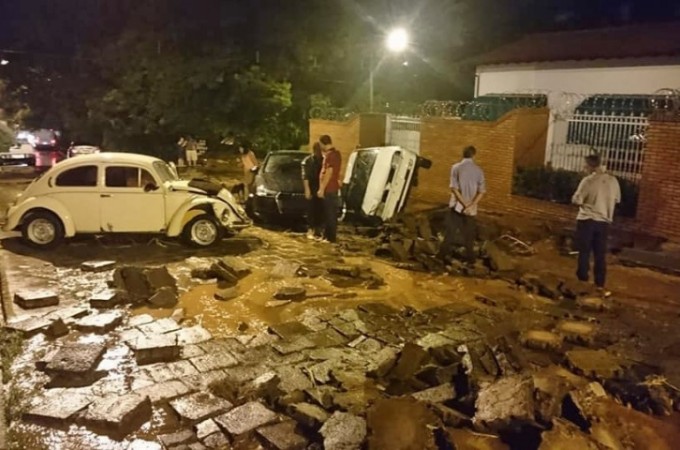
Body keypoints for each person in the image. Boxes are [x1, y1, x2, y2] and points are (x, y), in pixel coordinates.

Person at [571, 154, 620, 297]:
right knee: (600, 254)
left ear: (590, 165)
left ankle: (583, 281)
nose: (583, 167)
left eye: (585, 165)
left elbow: (577, 200)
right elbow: (616, 200)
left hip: (587, 220)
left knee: (584, 252)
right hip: (604, 222)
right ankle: (599, 284)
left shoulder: (588, 181)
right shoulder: (613, 181)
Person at [437, 145, 486, 265]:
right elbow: (482, 192)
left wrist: (464, 204)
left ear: (463, 154)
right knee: (469, 236)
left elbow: (454, 188)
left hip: (457, 208)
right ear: (474, 155)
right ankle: (471, 260)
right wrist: (471, 205)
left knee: (450, 233)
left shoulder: (455, 168)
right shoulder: (479, 171)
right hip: (471, 210)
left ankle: (440, 257)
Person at [317, 135, 341, 243]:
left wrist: (322, 189)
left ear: (323, 143)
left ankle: (330, 238)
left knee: (330, 213)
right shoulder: (334, 154)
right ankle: (327, 236)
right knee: (328, 213)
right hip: (330, 188)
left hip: (329, 189)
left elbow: (329, 172)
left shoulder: (331, 156)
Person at [302, 142, 325, 239]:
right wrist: (307, 190)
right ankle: (311, 228)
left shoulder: (324, 160)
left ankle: (319, 229)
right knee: (311, 210)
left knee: (320, 209)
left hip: (321, 186)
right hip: (312, 186)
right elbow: (305, 176)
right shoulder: (308, 161)